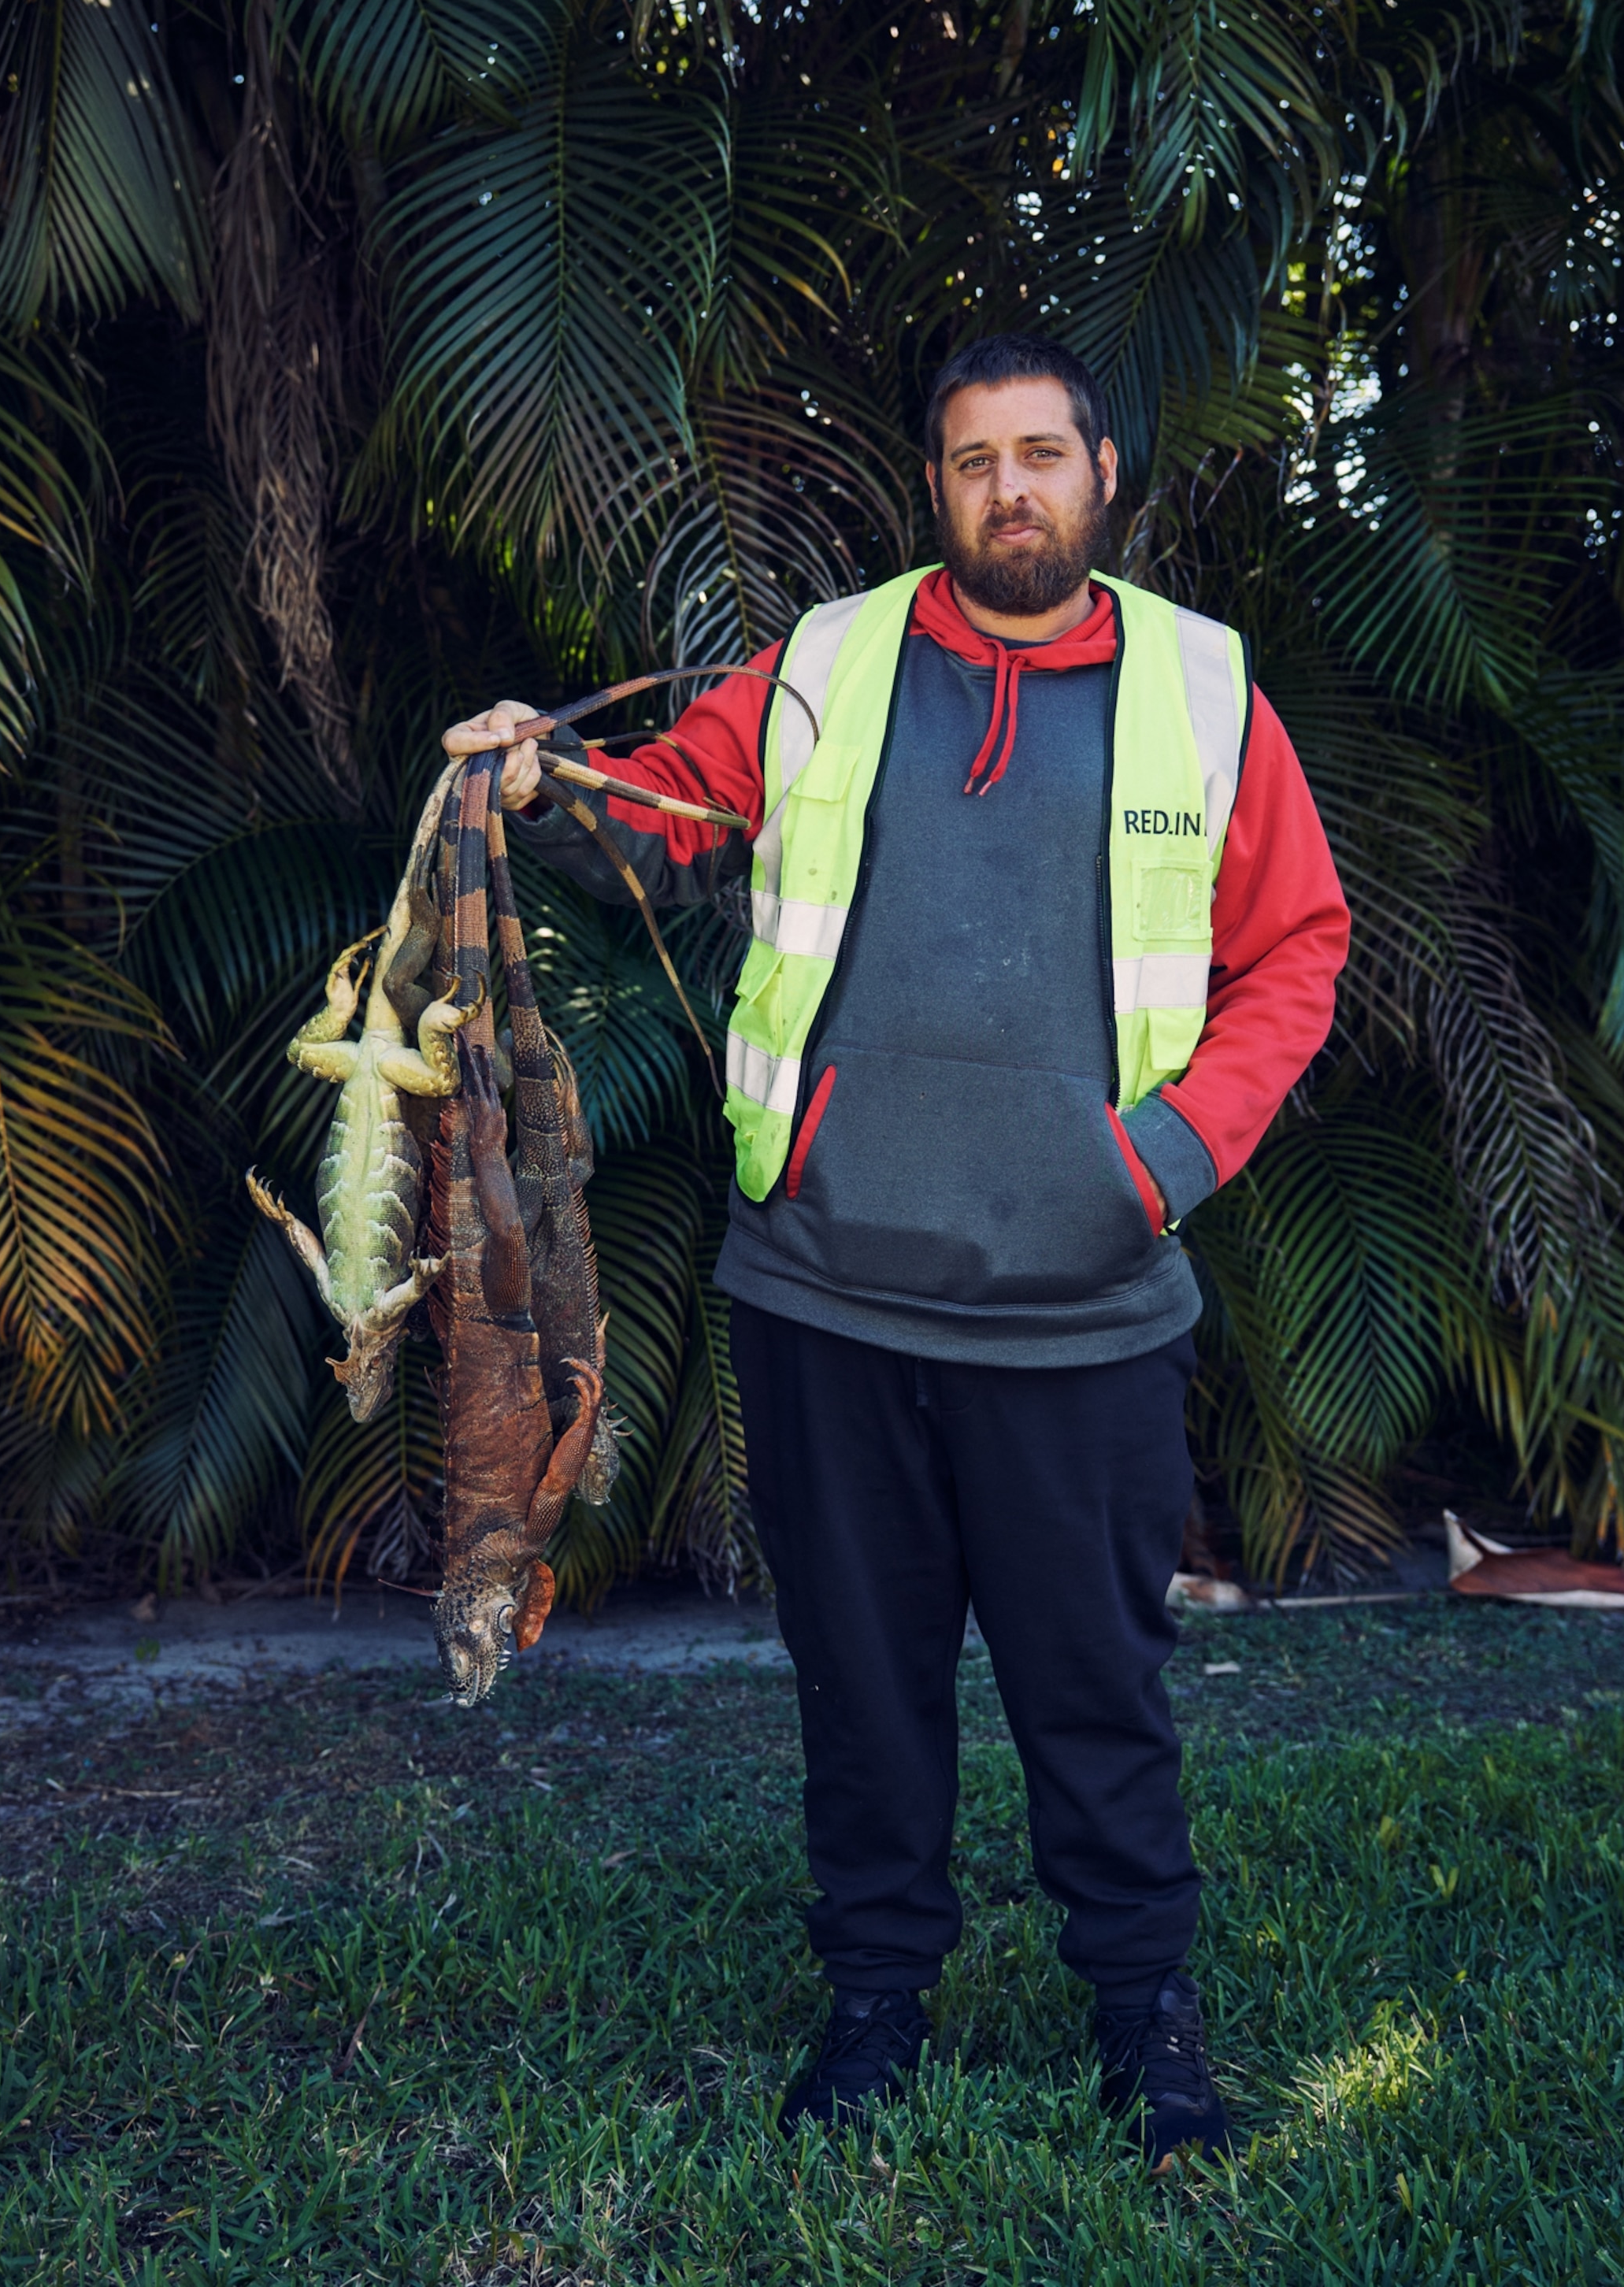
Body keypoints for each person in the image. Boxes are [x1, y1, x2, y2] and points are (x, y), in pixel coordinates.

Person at [443, 334, 1349, 2174]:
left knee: (1095, 1687)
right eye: (968, 461)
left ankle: (1141, 2015)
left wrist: (1155, 1162)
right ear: (930, 486)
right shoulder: (831, 666)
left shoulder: (1202, 691)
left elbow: (1296, 951)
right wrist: (548, 787)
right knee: (859, 1683)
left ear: (1103, 469)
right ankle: (873, 2003)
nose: (1005, 489)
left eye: (1038, 454)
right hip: (829, 1286)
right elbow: (677, 818)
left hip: (1081, 1299)